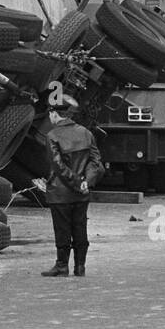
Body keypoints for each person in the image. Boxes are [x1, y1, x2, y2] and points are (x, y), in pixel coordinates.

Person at [41, 96, 104, 277]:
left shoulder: (52, 136)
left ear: (54, 114)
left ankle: (62, 266)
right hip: (81, 194)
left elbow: (58, 166)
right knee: (80, 228)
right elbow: (95, 161)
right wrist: (86, 182)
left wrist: (76, 182)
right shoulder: (86, 133)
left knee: (62, 230)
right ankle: (80, 267)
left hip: (60, 194)